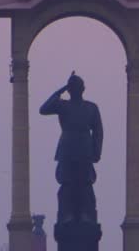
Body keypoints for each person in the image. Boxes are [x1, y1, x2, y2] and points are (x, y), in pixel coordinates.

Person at [40, 72, 104, 224]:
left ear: (83, 89)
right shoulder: (63, 105)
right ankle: (67, 214)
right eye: (72, 87)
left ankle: (84, 214)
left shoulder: (91, 107)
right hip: (68, 149)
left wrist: (96, 151)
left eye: (77, 87)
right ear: (69, 90)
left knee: (85, 184)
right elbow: (43, 109)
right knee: (67, 182)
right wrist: (59, 91)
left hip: (84, 149)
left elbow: (98, 132)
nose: (75, 90)